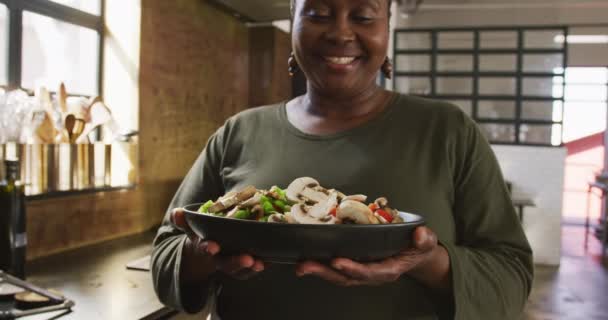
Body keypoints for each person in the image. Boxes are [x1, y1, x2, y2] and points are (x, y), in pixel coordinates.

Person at [151, 0, 533, 319]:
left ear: (387, 29)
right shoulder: (239, 132)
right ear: (293, 21)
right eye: (317, 13)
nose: (340, 32)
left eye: (363, 16)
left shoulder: (448, 131)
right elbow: (166, 255)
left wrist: (425, 262)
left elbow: (511, 274)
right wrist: (206, 253)